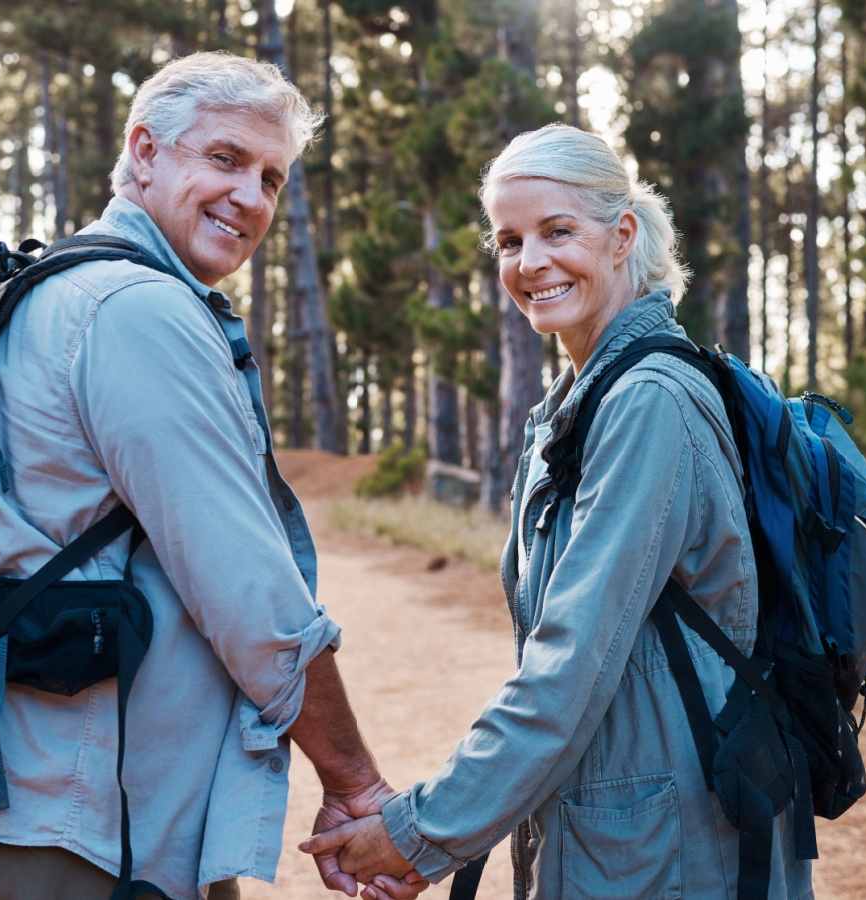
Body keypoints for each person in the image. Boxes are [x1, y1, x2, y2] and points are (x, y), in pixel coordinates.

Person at [0, 52, 425, 900]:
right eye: (225, 160)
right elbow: (250, 594)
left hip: (28, 803)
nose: (252, 199)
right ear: (144, 152)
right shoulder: (135, 310)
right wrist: (357, 785)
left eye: (271, 178)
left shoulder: (55, 288)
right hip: (97, 828)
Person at [301, 123, 815, 898]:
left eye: (557, 231)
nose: (530, 262)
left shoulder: (649, 402)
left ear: (623, 236)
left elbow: (569, 666)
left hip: (670, 848)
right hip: (618, 826)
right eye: (509, 241)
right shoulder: (577, 403)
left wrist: (419, 832)